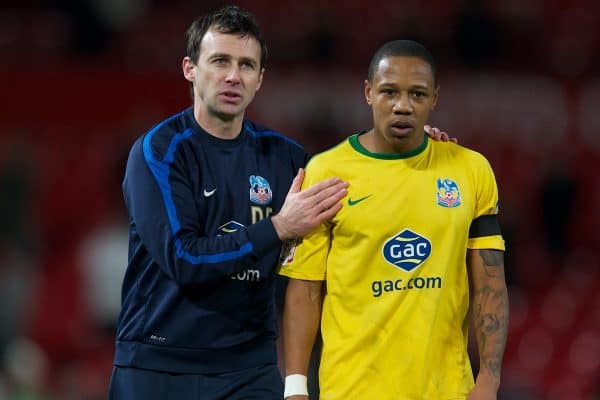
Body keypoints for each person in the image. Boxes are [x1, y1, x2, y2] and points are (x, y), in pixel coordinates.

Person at [108, 6, 452, 399]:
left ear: (260, 79)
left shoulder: (284, 157)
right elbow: (185, 260)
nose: (233, 76)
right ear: (190, 68)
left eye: (247, 65)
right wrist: (278, 227)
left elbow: (354, 179)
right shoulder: (160, 151)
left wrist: (406, 141)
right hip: (158, 365)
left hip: (248, 369)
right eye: (220, 61)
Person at [279, 40, 509, 400]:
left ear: (434, 98)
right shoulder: (325, 172)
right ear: (368, 92)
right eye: (389, 92)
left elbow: (490, 281)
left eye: (417, 94)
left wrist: (489, 380)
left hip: (447, 390)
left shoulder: (471, 170)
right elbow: (305, 287)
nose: (403, 106)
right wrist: (295, 388)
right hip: (352, 390)